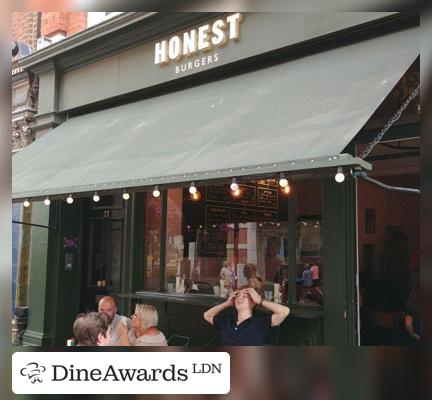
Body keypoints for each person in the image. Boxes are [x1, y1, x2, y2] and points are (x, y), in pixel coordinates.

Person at [203, 285, 290, 345]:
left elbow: (284, 311)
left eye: (244, 296)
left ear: (253, 302)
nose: (239, 298)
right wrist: (226, 303)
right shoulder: (227, 321)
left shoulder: (260, 323)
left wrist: (260, 301)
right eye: (237, 296)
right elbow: (207, 315)